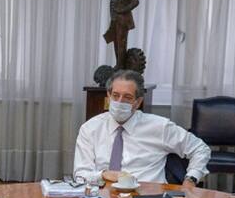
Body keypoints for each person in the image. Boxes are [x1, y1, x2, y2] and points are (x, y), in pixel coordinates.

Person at [73, 70, 210, 186]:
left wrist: (190, 179)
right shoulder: (90, 128)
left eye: (127, 97)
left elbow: (200, 149)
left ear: (138, 102)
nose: (120, 102)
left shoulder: (159, 127)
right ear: (108, 96)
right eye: (115, 95)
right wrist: (103, 175)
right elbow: (80, 175)